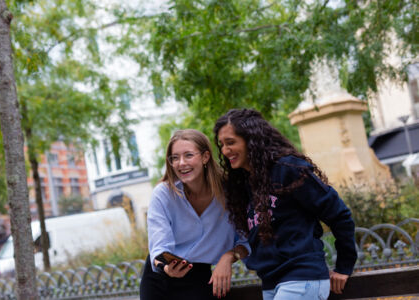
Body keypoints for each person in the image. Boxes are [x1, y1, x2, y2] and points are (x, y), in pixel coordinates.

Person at [214, 108, 357, 300]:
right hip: (272, 283)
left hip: (302, 277)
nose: (225, 150)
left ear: (251, 139)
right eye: (221, 145)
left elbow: (339, 215)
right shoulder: (245, 183)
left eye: (231, 142)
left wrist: (344, 267)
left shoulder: (288, 169)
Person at [140, 129, 249, 300]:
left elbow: (245, 240)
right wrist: (167, 268)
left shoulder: (230, 193)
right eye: (175, 158)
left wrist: (229, 257)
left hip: (200, 276)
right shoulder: (163, 194)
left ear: (205, 157)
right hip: (161, 277)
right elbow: (159, 246)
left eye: (188, 155)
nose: (181, 163)